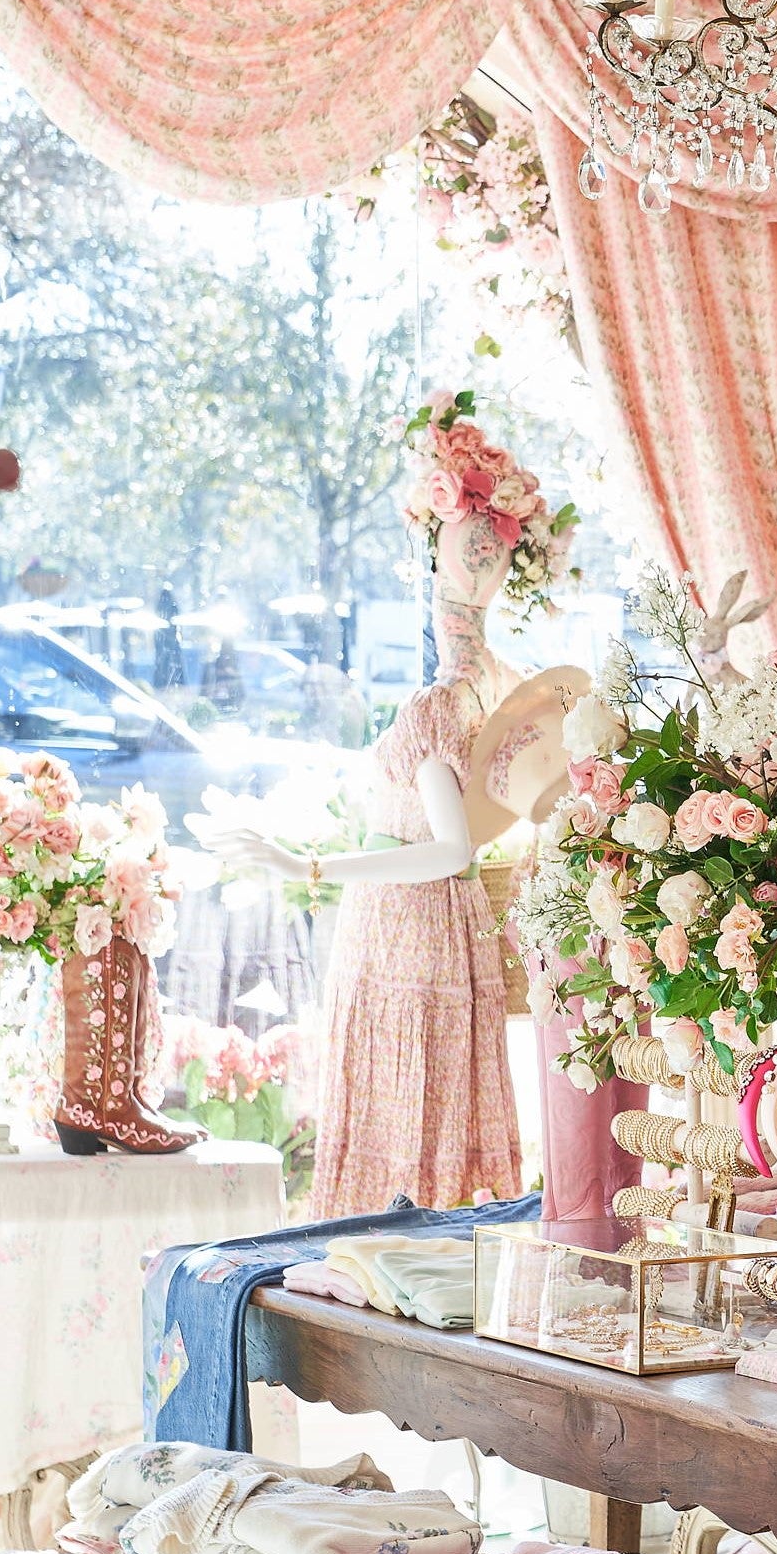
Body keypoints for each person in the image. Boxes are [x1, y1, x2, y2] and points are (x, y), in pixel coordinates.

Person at [195, 495, 524, 1215]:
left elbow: (448, 849)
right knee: (437, 1112)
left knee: (407, 1115)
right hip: (442, 927)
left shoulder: (437, 706)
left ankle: (390, 1254)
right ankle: (425, 1250)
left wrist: (307, 867)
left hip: (410, 930)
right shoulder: (496, 686)